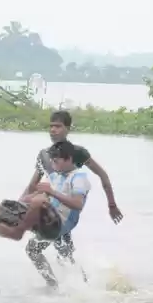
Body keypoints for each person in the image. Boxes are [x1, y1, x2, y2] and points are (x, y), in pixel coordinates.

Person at [0, 142, 91, 269]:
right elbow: (37, 192)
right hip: (42, 219)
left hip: (58, 225)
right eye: (51, 161)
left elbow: (78, 204)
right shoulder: (56, 176)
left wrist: (51, 192)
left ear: (69, 159)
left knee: (39, 200)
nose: (53, 164)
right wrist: (26, 200)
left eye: (56, 161)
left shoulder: (79, 178)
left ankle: (18, 232)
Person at [23, 110, 121, 274]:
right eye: (51, 126)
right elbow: (32, 185)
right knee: (62, 256)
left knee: (53, 253)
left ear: (68, 128)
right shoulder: (44, 155)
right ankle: (70, 289)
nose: (53, 130)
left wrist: (112, 205)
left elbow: (102, 175)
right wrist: (18, 205)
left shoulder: (77, 153)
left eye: (58, 126)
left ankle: (63, 289)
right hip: (53, 211)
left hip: (67, 212)